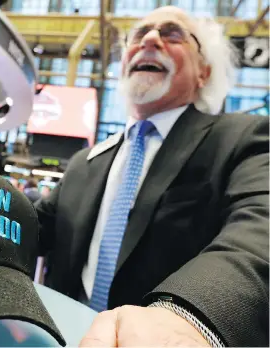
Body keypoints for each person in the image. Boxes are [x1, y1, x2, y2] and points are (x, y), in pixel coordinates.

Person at [35, 6, 269, 348]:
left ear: (203, 71)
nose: (150, 39)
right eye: (138, 34)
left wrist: (193, 315)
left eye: (172, 33)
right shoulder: (87, 160)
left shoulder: (241, 139)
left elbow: (259, 232)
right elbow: (37, 226)